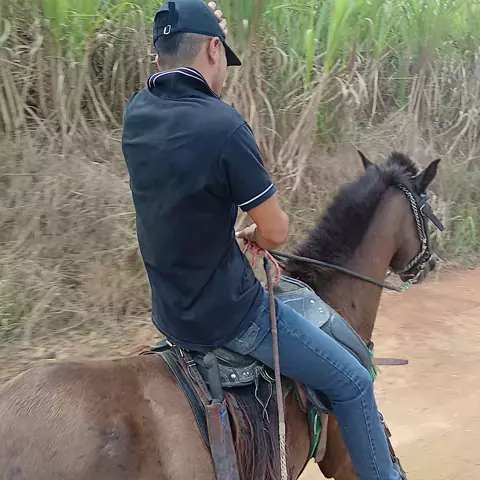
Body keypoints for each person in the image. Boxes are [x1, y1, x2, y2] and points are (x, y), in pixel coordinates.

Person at [121, 1, 403, 479]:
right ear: (213, 50)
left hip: (169, 312)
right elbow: (276, 231)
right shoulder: (224, 127)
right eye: (223, 59)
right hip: (228, 318)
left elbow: (176, 206)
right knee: (354, 381)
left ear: (158, 60)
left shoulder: (137, 112)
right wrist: (256, 235)